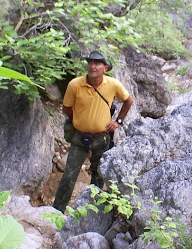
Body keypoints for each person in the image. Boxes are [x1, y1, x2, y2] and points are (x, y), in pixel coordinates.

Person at [53, 50, 134, 212]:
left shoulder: (113, 85)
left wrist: (118, 121)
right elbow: (67, 108)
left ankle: (90, 212)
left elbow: (128, 101)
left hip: (102, 138)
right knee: (69, 176)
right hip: (79, 137)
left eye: (97, 63)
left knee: (98, 176)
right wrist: (80, 121)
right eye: (90, 62)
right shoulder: (75, 84)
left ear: (105, 67)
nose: (92, 66)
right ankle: (57, 211)